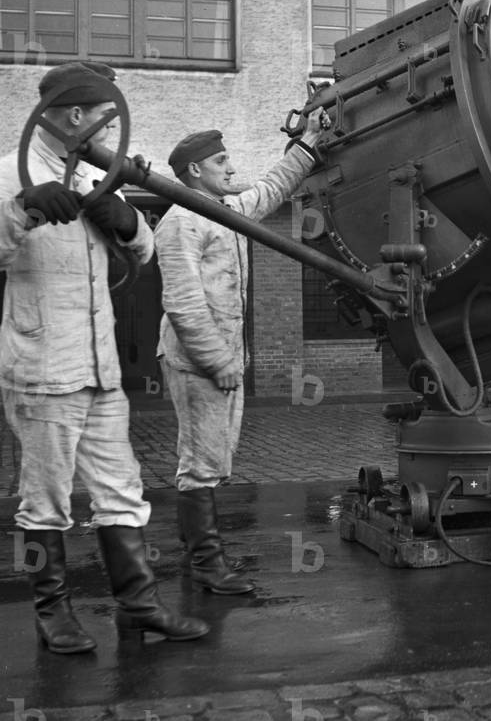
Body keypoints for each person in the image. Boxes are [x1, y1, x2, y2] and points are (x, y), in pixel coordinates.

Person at [0, 61, 208, 653]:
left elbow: (142, 251)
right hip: (42, 369)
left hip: (99, 370)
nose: (109, 136)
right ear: (73, 117)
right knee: (46, 498)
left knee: (121, 489)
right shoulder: (10, 173)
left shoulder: (99, 174)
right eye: (102, 121)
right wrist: (21, 211)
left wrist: (128, 222)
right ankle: (52, 611)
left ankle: (140, 605)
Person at [156, 111, 328, 594]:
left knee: (213, 459)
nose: (231, 168)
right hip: (198, 362)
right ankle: (208, 568)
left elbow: (270, 189)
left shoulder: (221, 209)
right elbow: (184, 303)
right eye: (220, 160)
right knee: (201, 462)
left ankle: (199, 562)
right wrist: (219, 361)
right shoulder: (181, 223)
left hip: (220, 360)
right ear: (194, 171)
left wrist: (310, 145)